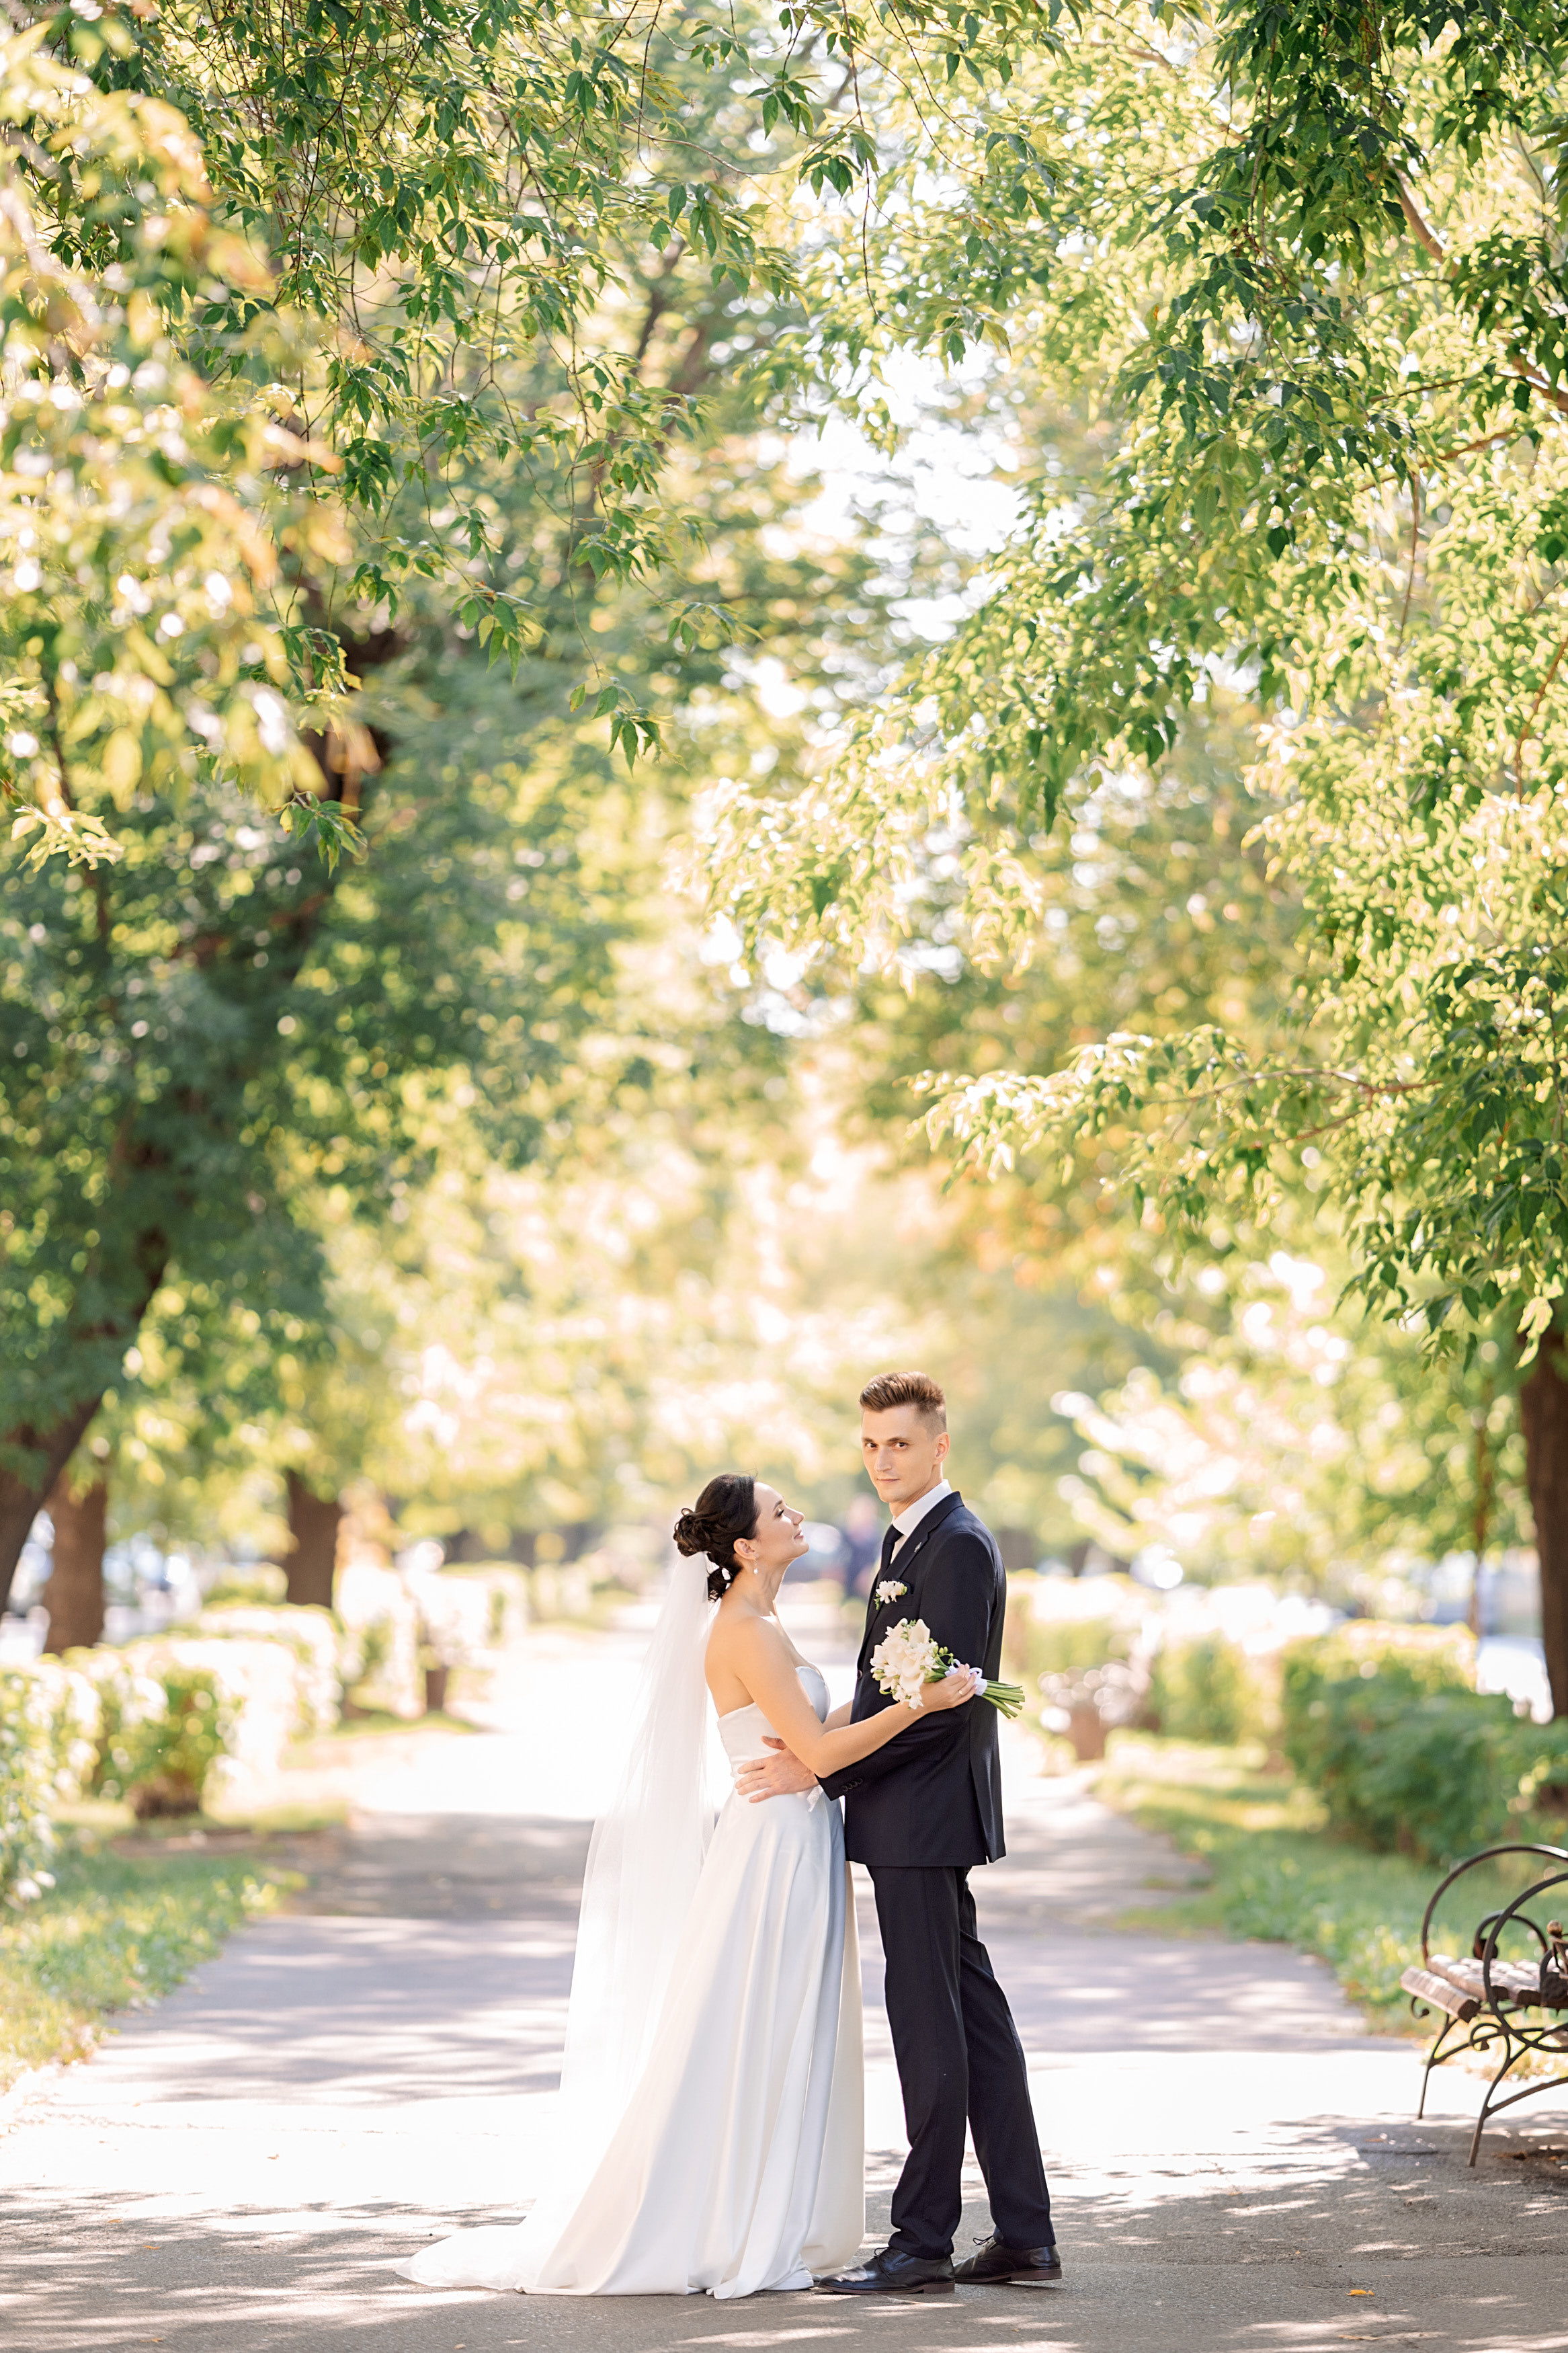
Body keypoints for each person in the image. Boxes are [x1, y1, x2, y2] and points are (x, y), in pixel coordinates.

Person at [395, 1471, 979, 2300]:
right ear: (745, 1545)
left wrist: (886, 1690)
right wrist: (917, 1705)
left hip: (798, 1837)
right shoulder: (741, 1628)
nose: (796, 1514)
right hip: (773, 1852)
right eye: (780, 1511)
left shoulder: (766, 1618)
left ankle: (763, 2205)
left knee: (785, 2025)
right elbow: (818, 1755)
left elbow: (811, 1734)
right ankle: (726, 2220)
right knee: (757, 2024)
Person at [735, 1370, 1061, 2297]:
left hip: (921, 1818)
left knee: (931, 2034)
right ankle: (1026, 2234)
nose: (883, 1461)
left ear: (939, 1445)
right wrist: (828, 1744)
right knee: (978, 2026)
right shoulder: (908, 1538)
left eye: (901, 1445)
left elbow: (935, 1713)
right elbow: (891, 1689)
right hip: (914, 1818)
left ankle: (921, 2242)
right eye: (871, 1444)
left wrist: (824, 1765)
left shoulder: (954, 1545)